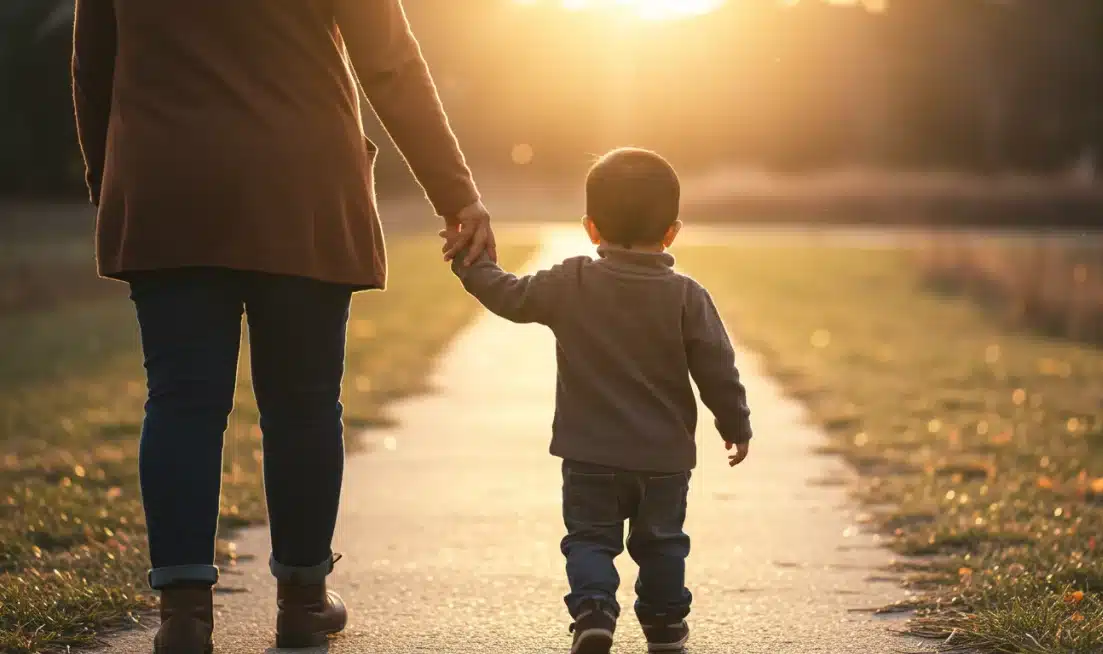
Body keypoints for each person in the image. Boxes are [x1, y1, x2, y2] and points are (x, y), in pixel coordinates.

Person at [71, 0, 494, 651]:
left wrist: (116, 181)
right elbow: (390, 64)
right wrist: (455, 193)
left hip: (168, 180)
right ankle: (302, 599)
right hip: (303, 182)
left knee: (182, 398)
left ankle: (183, 615)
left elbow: (93, 62)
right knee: (303, 403)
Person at [445, 147, 753, 654]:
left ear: (591, 228)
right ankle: (664, 624)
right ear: (672, 231)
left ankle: (594, 609)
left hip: (589, 456)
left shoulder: (573, 281)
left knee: (589, 540)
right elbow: (718, 369)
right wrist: (735, 422)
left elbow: (510, 296)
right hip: (664, 461)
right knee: (662, 543)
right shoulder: (687, 296)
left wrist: (469, 261)